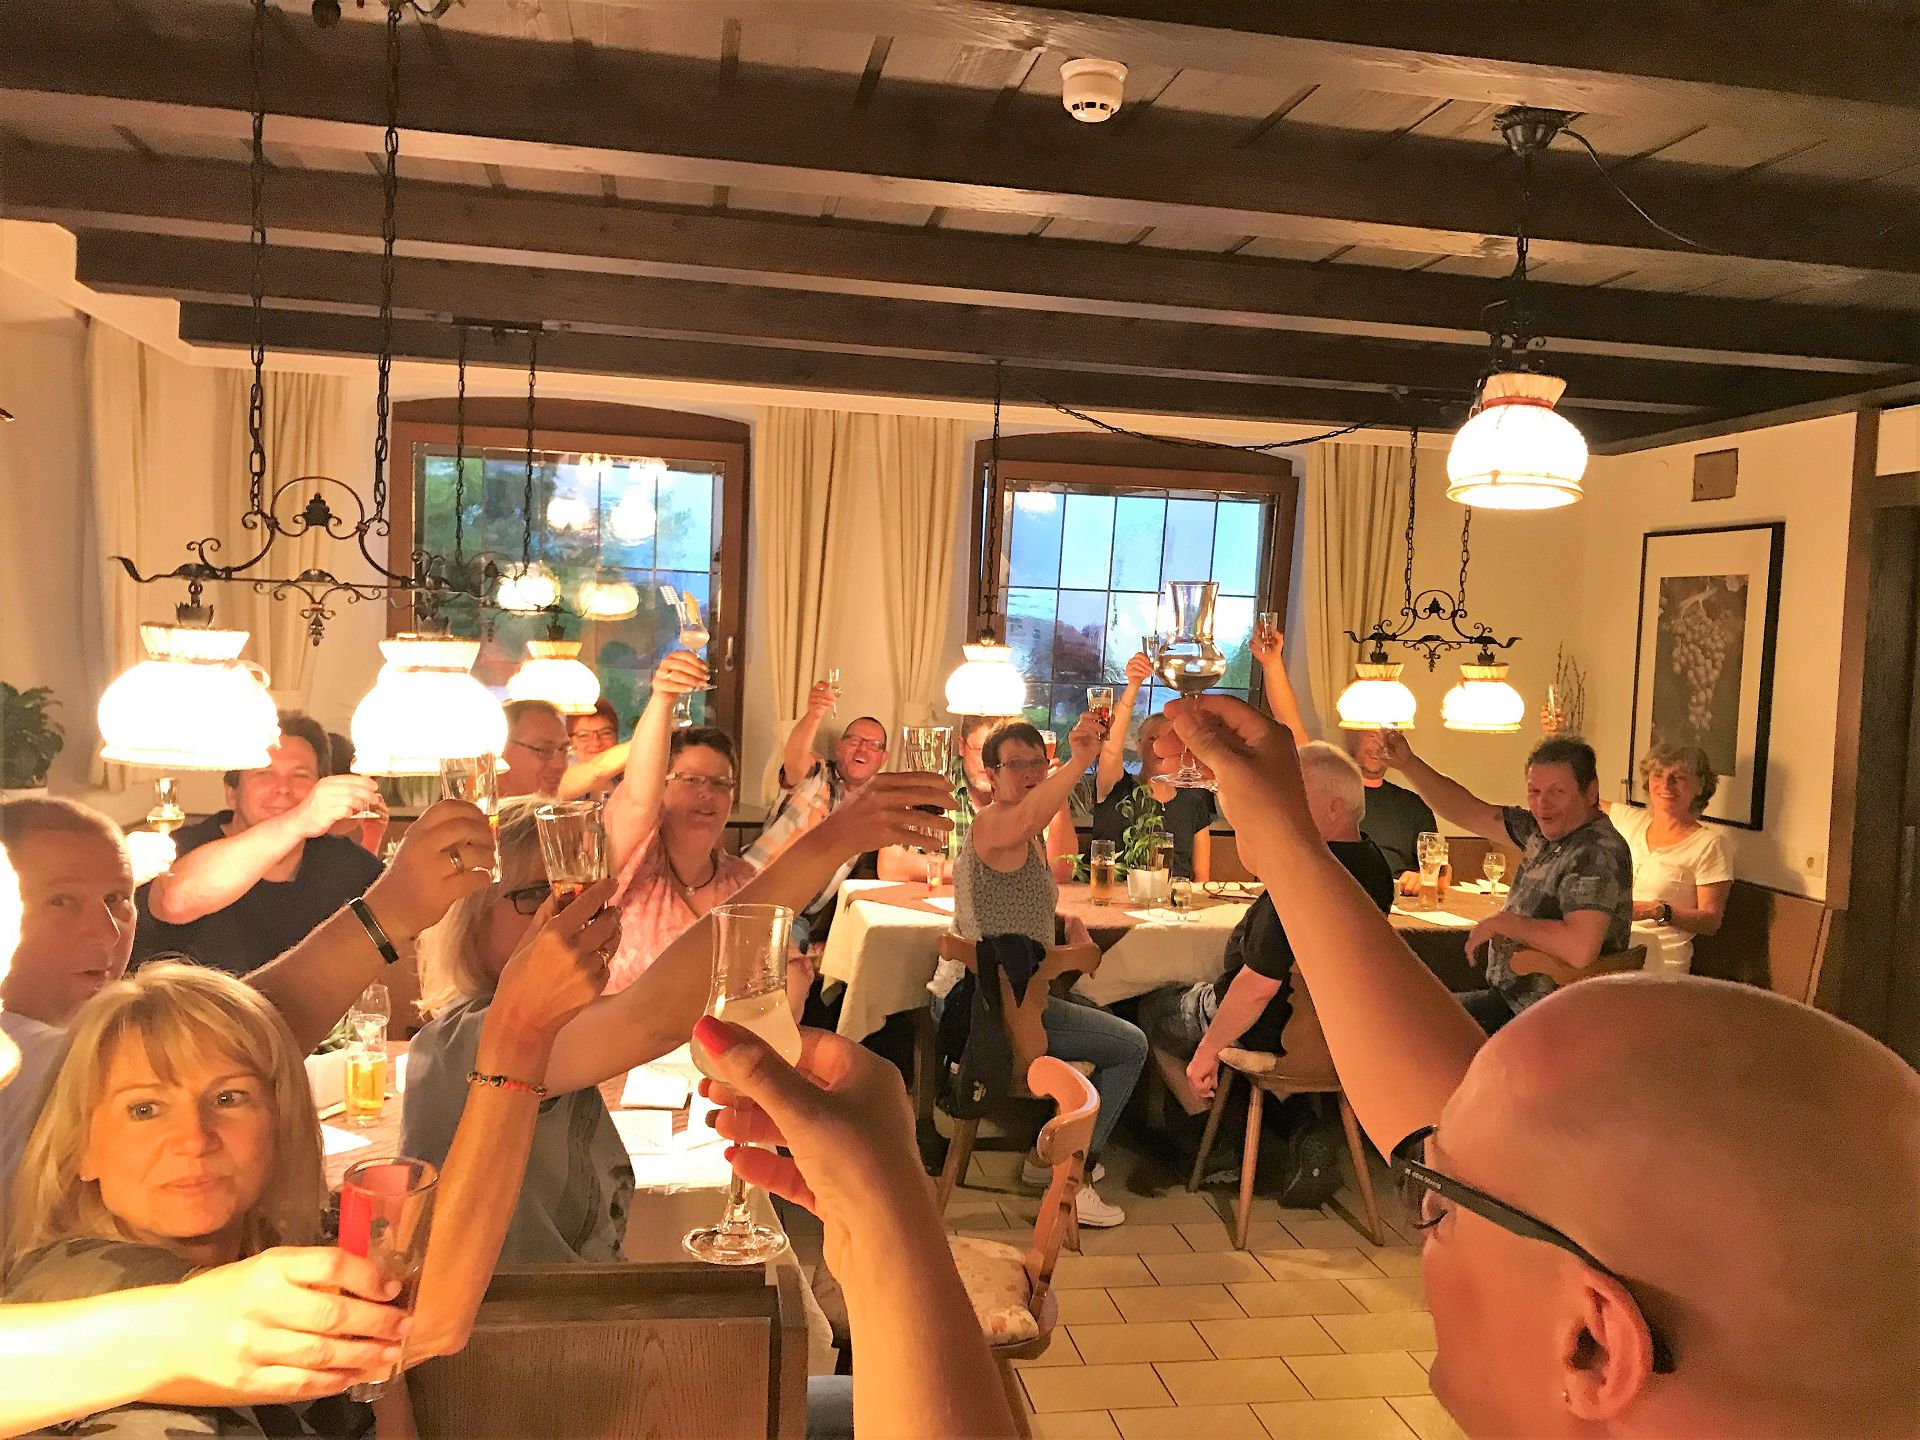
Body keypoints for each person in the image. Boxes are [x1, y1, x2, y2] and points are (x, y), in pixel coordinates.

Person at [1156, 695, 1920, 1440]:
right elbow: (1437, 1107)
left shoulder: (1596, 854)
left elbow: (1556, 980)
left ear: (1592, 1348)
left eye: (1440, 1209)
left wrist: (1292, 847)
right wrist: (1289, 839)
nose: (1424, 1216)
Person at [3, 885, 613, 1440]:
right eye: (144, 1109)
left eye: (228, 1098)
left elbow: (400, 1349)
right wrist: (519, 1032)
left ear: (281, 1121)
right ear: (81, 1149)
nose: (193, 1138)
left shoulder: (289, 1246)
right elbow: (426, 1324)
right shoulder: (73, 1282)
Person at [404, 774, 950, 1265]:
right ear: (467, 917)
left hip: (561, 1308)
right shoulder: (473, 1036)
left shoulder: (520, 1024)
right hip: (526, 1330)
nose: (568, 915)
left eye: (576, 893)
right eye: (535, 897)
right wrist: (833, 838)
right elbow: (654, 1016)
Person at [2, 794, 493, 1199]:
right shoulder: (19, 1055)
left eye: (117, 899)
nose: (107, 931)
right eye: (60, 901)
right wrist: (392, 909)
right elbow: (244, 1040)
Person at [956, 716, 1146, 1228]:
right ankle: (1073, 1175)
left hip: (999, 994)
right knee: (1132, 1044)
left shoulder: (1023, 832)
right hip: (1000, 1007)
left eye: (1036, 763)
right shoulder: (996, 821)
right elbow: (1028, 816)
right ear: (991, 774)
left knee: (1106, 1011)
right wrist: (1079, 956)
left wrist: (1063, 921)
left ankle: (1049, 1159)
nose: (1028, 773)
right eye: (1015, 765)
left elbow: (1013, 905)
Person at [1135, 742, 1392, 1102]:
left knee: (1149, 1007)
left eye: (1295, 796)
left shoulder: (1305, 876)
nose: (1282, 805)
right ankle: (1281, 1120)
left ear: (1335, 807)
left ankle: (1198, 1121)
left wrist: (1208, 1051)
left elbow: (1257, 987)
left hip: (1276, 1029)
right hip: (1339, 1029)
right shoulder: (1372, 863)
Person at [1379, 731, 1631, 1034]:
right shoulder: (1544, 831)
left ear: (1591, 792)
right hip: (1512, 998)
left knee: (1410, 1025)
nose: (1543, 804)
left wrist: (1506, 923)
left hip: (1547, 1019)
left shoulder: (1595, 852)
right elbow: (1467, 810)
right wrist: (1408, 763)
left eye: (1557, 791)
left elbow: (1580, 947)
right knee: (1404, 1002)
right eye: (1534, 791)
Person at [133, 713, 384, 977]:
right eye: (264, 773)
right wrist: (298, 821)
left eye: (300, 775)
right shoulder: (175, 848)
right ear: (232, 793)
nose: (283, 788)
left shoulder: (344, 862)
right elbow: (173, 901)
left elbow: (396, 928)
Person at [601, 651, 756, 992]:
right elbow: (637, 801)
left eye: (720, 783)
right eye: (690, 780)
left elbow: (785, 965)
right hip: (626, 1027)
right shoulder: (633, 862)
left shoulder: (742, 881)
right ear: (661, 787)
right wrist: (663, 698)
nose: (707, 793)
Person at [1255, 627, 1435, 876]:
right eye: (1370, 734)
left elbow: (1441, 871)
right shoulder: (1327, 783)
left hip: (1393, 898)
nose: (1379, 744)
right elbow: (1290, 725)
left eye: (1387, 736)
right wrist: (1272, 663)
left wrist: (1421, 879)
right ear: (1351, 734)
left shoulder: (1413, 807)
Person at [744, 692, 893, 949]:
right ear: (839, 746)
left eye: (873, 745)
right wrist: (814, 715)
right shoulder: (817, 773)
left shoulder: (874, 811)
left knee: (778, 962)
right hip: (747, 890)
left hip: (795, 917)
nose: (862, 749)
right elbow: (795, 758)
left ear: (883, 758)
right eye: (854, 740)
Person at [1599, 745, 1731, 974]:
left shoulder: (1709, 845)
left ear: (1700, 786)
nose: (1666, 785)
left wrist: (1658, 910)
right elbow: (1576, 800)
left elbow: (1711, 921)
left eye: (1678, 778)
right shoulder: (1629, 821)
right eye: (1658, 775)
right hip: (1613, 951)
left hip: (1662, 961)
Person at [1090, 651, 1215, 880]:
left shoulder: (1194, 801)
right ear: (1138, 747)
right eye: (1152, 739)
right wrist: (1133, 685)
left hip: (1174, 900)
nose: (1159, 746)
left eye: (1169, 740)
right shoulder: (1115, 788)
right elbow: (1110, 749)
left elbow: (1201, 876)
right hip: (1117, 895)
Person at [499, 698, 572, 798]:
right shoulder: (480, 807)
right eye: (545, 750)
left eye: (564, 750)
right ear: (501, 750)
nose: (560, 765)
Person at [559, 700, 630, 802]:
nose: (596, 742)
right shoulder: (557, 780)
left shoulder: (635, 779)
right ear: (570, 742)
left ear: (617, 737)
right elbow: (597, 771)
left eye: (605, 733)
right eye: (584, 735)